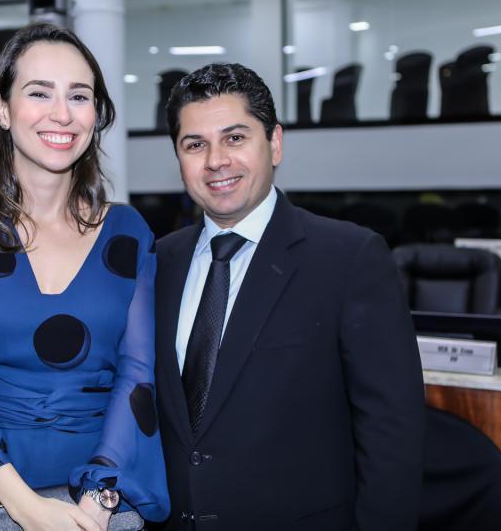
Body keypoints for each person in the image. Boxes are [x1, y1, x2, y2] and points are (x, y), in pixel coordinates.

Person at [0, 23, 169, 531]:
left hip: (104, 496)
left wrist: (95, 502)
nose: (62, 113)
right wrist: (26, 507)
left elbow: (138, 378)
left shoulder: (129, 233)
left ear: (96, 113)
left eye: (79, 95)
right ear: (2, 110)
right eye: (39, 93)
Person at [153, 63, 425, 530]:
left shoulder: (349, 257)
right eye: (195, 145)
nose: (216, 160)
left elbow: (392, 433)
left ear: (275, 143)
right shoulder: (158, 261)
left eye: (235, 138)